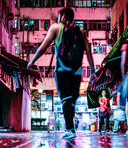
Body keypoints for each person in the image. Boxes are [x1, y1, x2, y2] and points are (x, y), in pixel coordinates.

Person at [27, 7, 97, 139]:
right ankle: (70, 128)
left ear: (63, 17)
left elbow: (43, 47)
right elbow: (88, 51)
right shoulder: (80, 31)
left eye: (59, 16)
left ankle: (70, 130)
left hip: (62, 70)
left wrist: (32, 60)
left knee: (65, 99)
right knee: (71, 100)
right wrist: (93, 71)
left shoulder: (56, 28)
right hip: (76, 71)